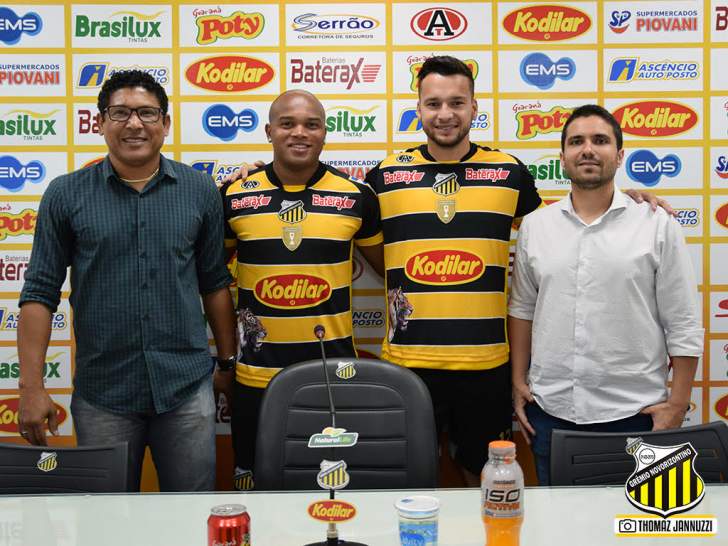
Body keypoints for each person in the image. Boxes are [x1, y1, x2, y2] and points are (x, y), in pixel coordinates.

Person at [17, 70, 237, 492]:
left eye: (147, 113)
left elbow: (214, 282)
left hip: (186, 389)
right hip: (103, 393)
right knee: (105, 517)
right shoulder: (65, 194)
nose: (134, 123)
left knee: (192, 512)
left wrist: (226, 363)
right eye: (120, 113)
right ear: (100, 122)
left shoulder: (199, 190)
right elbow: (39, 293)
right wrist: (31, 387)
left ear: (165, 124)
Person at [508, 104, 703, 486]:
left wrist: (678, 405)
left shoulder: (656, 224)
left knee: (634, 521)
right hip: (551, 413)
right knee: (558, 521)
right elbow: (523, 308)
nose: (588, 150)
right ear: (562, 156)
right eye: (576, 141)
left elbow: (683, 321)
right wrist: (518, 380)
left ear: (619, 154)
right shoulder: (535, 226)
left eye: (600, 140)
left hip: (636, 416)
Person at [218, 89, 383, 490]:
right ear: (268, 131)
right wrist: (225, 362)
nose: (299, 133)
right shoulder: (235, 195)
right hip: (255, 378)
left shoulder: (357, 197)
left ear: (325, 132)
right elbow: (211, 279)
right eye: (287, 124)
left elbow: (389, 269)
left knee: (331, 490)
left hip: (332, 378)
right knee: (254, 486)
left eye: (312, 124)